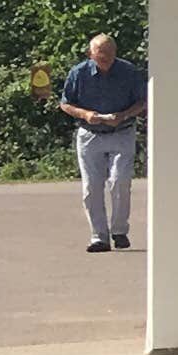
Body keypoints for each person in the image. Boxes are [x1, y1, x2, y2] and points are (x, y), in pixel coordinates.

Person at [56, 32, 150, 255]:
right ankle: (99, 236)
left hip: (122, 131)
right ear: (91, 54)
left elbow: (143, 101)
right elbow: (65, 103)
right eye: (101, 54)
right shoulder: (79, 73)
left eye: (109, 53)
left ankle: (119, 231)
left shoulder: (128, 71)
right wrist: (86, 114)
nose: (106, 58)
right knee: (91, 187)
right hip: (90, 134)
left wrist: (125, 115)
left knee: (120, 181)